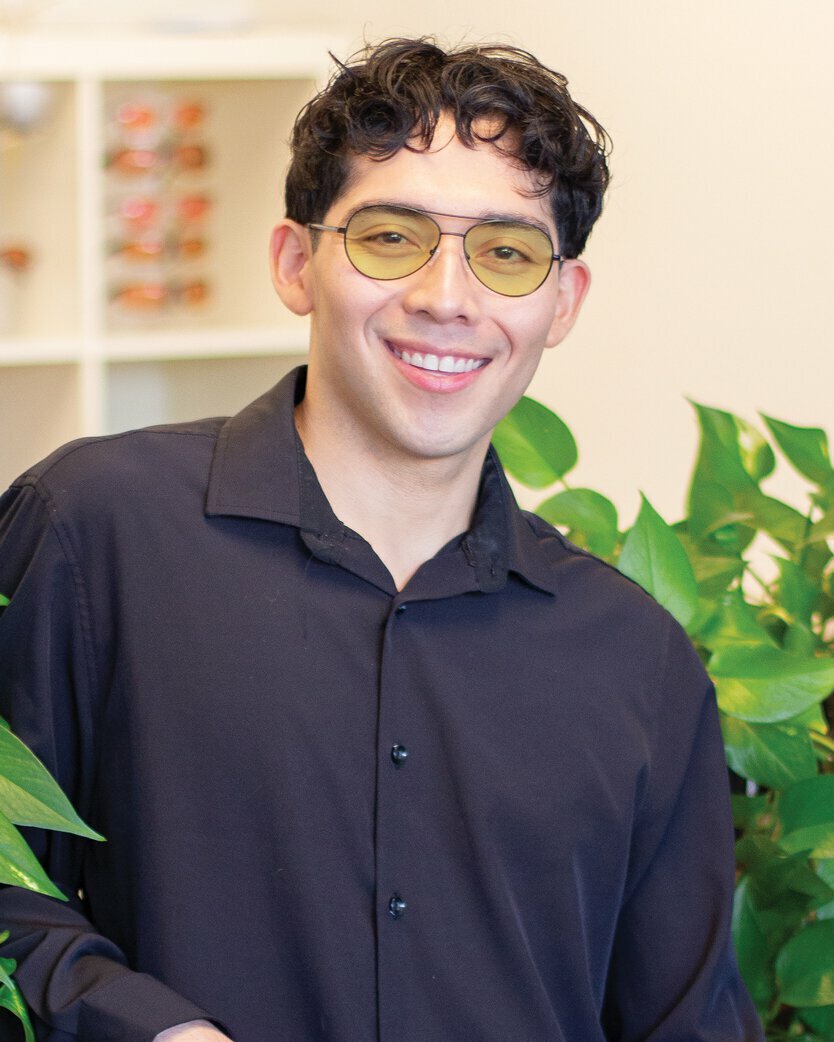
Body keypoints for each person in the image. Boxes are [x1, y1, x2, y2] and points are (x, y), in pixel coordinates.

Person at [0, 37, 762, 1042]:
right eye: (392, 238)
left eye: (506, 251)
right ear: (295, 263)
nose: (447, 297)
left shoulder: (639, 663)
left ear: (560, 302)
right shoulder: (93, 534)